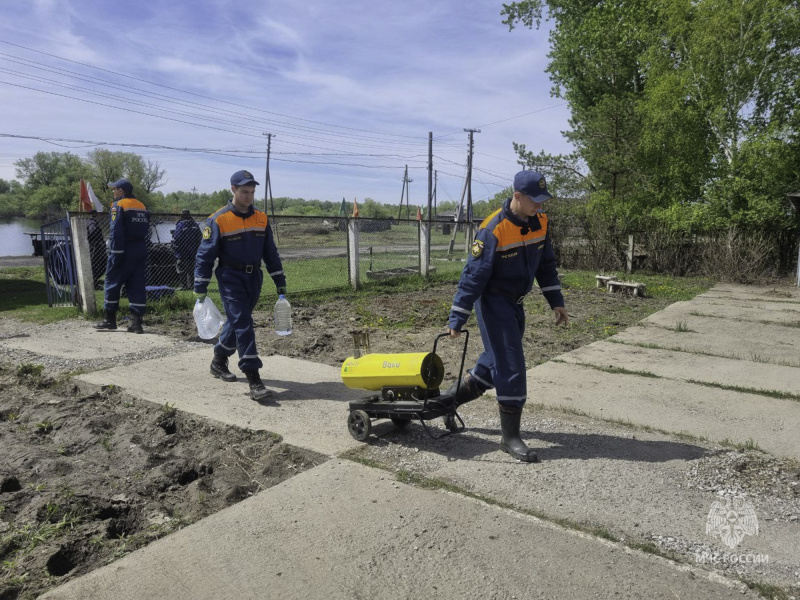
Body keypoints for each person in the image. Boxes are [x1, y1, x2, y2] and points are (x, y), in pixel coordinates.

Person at [437, 170, 569, 463]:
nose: (540, 206)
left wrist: (556, 302)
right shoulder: (492, 229)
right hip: (494, 302)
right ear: (517, 197)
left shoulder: (541, 222)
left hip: (516, 303)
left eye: (543, 200)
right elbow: (472, 277)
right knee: (510, 364)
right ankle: (510, 438)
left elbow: (546, 265)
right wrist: (457, 317)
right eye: (535, 201)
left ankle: (446, 402)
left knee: (492, 363)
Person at [194, 170, 287, 402]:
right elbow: (204, 256)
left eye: (252, 192)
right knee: (244, 324)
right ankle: (254, 378)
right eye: (245, 191)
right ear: (233, 190)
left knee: (238, 323)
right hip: (230, 277)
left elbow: (271, 253)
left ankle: (218, 359)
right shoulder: (218, 219)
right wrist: (200, 285)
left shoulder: (261, 218)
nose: (249, 196)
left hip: (254, 277)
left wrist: (279, 280)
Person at [94, 178, 150, 334]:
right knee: (137, 285)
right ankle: (136, 324)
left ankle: (109, 320)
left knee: (112, 282)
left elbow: (116, 231)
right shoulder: (142, 206)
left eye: (115, 189)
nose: (113, 191)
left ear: (122, 191)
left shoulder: (118, 206)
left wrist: (116, 253)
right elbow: (147, 230)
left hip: (123, 248)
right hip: (140, 249)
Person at [172, 209, 202, 289]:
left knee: (181, 268)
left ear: (182, 215)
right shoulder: (195, 225)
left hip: (182, 252)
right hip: (193, 251)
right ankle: (191, 285)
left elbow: (177, 237)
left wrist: (175, 247)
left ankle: (183, 285)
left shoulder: (181, 225)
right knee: (191, 269)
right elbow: (199, 238)